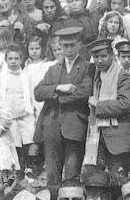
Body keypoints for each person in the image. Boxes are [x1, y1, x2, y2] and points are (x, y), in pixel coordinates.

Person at [34, 25, 92, 187]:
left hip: (75, 124)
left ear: (79, 45)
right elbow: (38, 93)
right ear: (60, 46)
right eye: (65, 45)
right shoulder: (53, 69)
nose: (69, 49)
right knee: (52, 170)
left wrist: (55, 97)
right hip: (52, 125)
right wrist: (59, 88)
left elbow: (84, 92)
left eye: (73, 45)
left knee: (72, 170)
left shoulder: (87, 67)